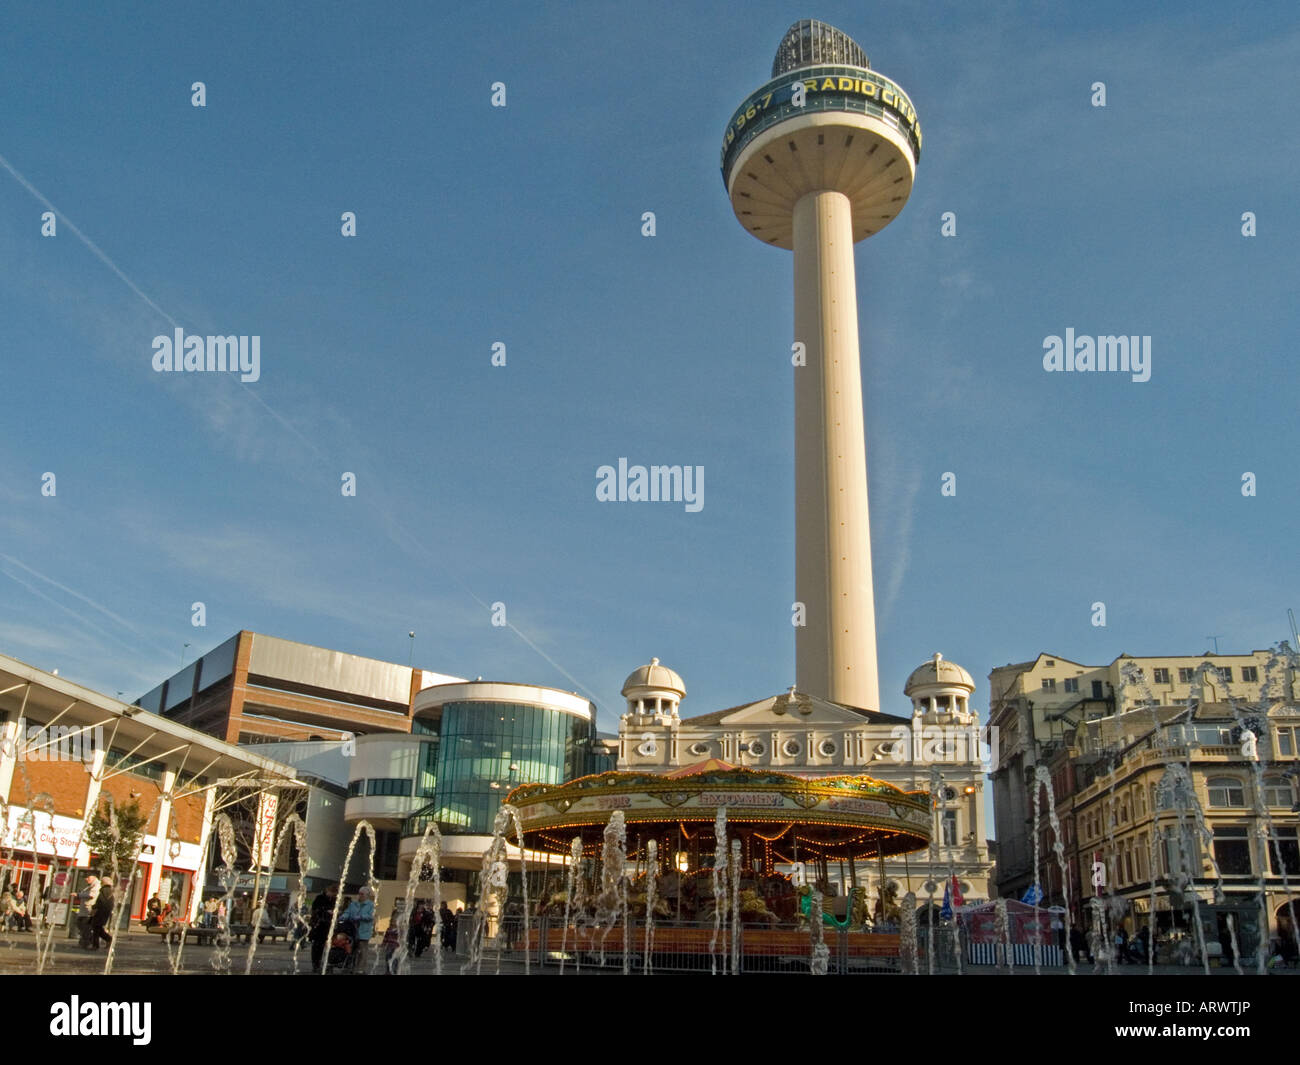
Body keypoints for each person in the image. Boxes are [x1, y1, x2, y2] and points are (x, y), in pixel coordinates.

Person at [342, 886, 375, 973]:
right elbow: (347, 912)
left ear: (367, 895)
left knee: (362, 951)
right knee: (352, 950)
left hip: (363, 932)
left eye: (362, 894)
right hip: (352, 931)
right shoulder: (353, 904)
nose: (360, 896)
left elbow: (371, 916)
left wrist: (361, 917)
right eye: (359, 894)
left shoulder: (371, 905)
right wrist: (343, 916)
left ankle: (361, 969)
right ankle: (351, 967)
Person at [309, 884, 338, 974]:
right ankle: (316, 964)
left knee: (323, 946)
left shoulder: (333, 899)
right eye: (331, 893)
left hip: (327, 926)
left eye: (334, 894)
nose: (332, 895)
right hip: (318, 925)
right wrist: (325, 910)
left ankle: (322, 964)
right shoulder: (320, 898)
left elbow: (335, 909)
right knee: (316, 946)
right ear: (328, 891)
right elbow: (314, 909)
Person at [91, 875, 115, 950]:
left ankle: (98, 944)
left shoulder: (104, 890)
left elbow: (101, 901)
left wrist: (94, 907)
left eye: (101, 882)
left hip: (101, 912)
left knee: (96, 927)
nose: (100, 883)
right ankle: (105, 940)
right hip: (105, 911)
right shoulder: (109, 890)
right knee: (97, 928)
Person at [77, 876, 100, 949]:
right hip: (84, 909)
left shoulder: (96, 886)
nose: (86, 879)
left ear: (93, 878)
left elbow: (91, 895)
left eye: (88, 878)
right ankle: (84, 941)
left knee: (85, 926)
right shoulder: (90, 886)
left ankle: (87, 942)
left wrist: (79, 895)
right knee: (79, 923)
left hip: (88, 910)